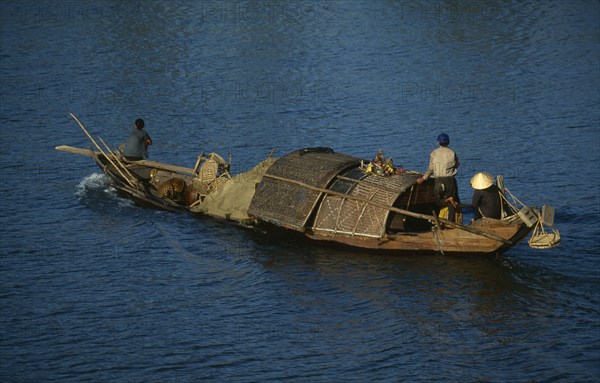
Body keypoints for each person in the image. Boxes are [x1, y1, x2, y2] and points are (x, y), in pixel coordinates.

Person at [416, 133, 460, 222]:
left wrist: (423, 178)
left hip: (439, 180)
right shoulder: (452, 152)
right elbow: (457, 164)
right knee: (453, 201)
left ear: (438, 142)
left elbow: (431, 169)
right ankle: (450, 222)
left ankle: (446, 202)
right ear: (448, 142)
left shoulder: (434, 153)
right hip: (450, 180)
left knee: (438, 201)